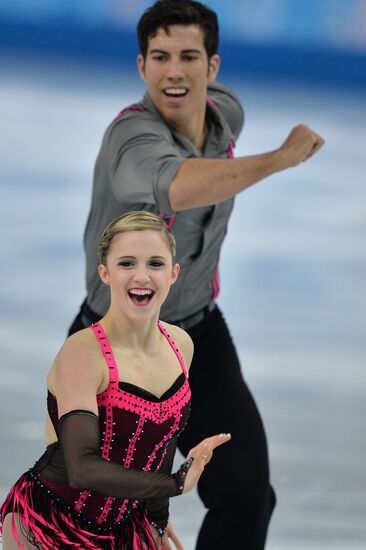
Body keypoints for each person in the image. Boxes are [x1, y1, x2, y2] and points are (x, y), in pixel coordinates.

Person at [68, 1, 325, 548]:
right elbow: (182, 187)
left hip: (197, 337)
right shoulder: (129, 141)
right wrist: (280, 158)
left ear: (213, 67)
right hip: (116, 349)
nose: (174, 71)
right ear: (141, 67)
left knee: (246, 494)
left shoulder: (224, 112)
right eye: (160, 57)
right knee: (107, 519)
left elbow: (214, 137)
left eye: (189, 56)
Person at [0, 211, 231, 550]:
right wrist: (175, 484)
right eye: (126, 263)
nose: (142, 276)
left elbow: (162, 442)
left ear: (173, 273)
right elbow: (82, 469)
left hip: (124, 528)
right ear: (105, 274)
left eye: (155, 263)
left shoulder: (180, 345)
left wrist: (156, 522)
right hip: (48, 525)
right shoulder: (82, 353)